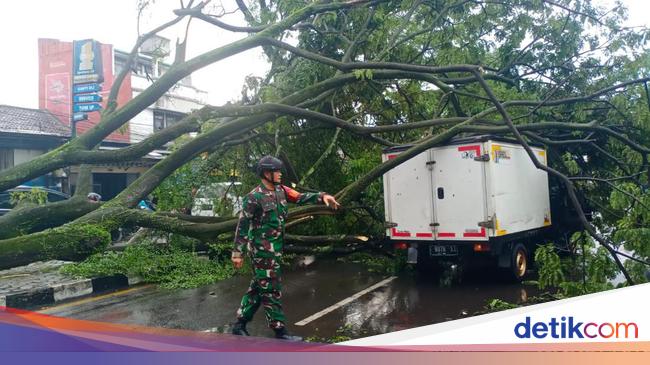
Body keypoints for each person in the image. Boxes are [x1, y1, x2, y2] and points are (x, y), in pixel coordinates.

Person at [231, 155, 340, 341]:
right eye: (277, 171)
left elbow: (301, 197)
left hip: (276, 250)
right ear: (266, 173)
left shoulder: (282, 191)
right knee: (271, 289)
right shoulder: (253, 197)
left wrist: (323, 196)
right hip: (261, 252)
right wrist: (237, 253)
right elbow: (242, 225)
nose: (280, 174)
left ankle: (239, 324)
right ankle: (280, 331)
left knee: (258, 288)